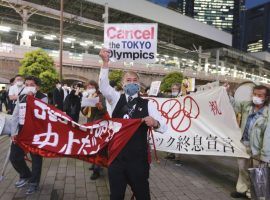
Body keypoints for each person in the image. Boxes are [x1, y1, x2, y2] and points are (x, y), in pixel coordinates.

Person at [99, 49, 167, 200]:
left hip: (138, 160)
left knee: (143, 195)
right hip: (117, 158)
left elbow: (164, 126)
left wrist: (155, 123)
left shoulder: (148, 104)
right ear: (122, 84)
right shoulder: (116, 98)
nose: (131, 83)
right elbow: (103, 87)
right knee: (116, 196)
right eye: (128, 80)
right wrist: (105, 63)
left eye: (134, 80)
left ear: (139, 84)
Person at [229, 85, 270, 199]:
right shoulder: (247, 106)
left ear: (266, 97)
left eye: (260, 95)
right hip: (244, 143)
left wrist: (265, 155)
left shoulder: (267, 113)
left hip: (258, 149)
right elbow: (234, 106)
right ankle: (241, 189)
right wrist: (227, 93)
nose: (256, 97)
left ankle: (253, 193)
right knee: (242, 169)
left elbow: (268, 135)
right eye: (254, 94)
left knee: (257, 172)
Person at [9, 76, 48, 195]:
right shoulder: (21, 97)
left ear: (37, 87)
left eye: (31, 84)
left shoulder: (43, 97)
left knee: (36, 158)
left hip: (35, 133)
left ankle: (34, 182)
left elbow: (42, 116)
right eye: (26, 84)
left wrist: (32, 99)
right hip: (21, 131)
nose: (28, 86)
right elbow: (15, 115)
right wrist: (13, 132)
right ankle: (25, 175)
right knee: (14, 156)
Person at [81, 80, 107, 180]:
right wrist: (84, 107)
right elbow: (84, 112)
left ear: (96, 87)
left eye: (92, 86)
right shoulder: (87, 96)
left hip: (98, 124)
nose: (90, 88)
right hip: (90, 123)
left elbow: (104, 110)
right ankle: (93, 163)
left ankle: (97, 169)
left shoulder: (100, 96)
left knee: (98, 147)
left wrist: (100, 107)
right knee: (92, 145)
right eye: (88, 87)